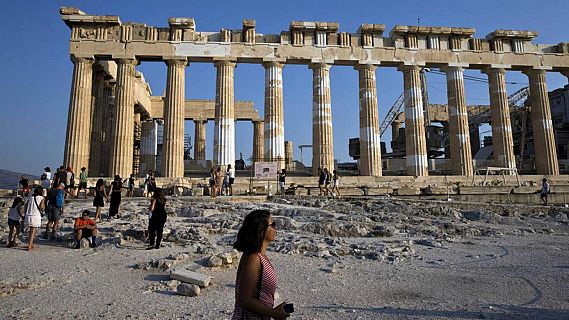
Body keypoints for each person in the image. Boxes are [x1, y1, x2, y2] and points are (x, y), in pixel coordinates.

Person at [231, 210, 289, 320]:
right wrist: (274, 313)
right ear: (261, 231)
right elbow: (245, 299)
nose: (275, 229)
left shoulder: (259, 257)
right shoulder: (253, 259)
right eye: (272, 225)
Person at [24, 187, 45, 251]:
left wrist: (26, 214)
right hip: (35, 215)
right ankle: (30, 245)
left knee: (30, 230)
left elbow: (26, 206)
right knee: (33, 231)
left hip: (28, 215)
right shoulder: (41, 198)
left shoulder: (30, 197)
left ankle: (30, 243)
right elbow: (41, 207)